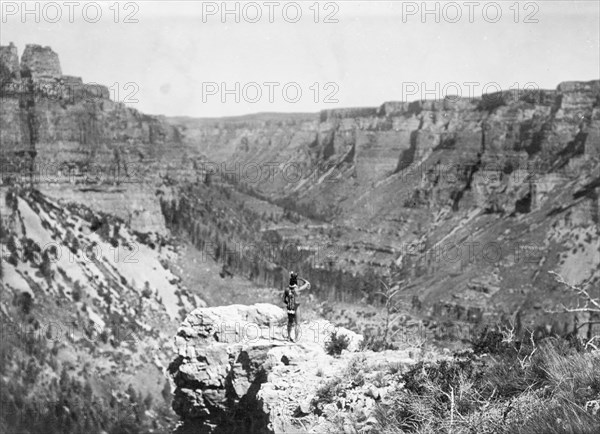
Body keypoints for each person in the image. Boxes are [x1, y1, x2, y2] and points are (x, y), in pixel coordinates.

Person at [283, 273, 310, 342]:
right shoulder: (298, 290)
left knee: (290, 322)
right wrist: (301, 279)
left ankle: (288, 337)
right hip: (296, 307)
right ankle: (296, 338)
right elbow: (307, 283)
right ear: (296, 282)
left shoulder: (286, 290)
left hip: (290, 308)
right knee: (297, 324)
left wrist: (288, 304)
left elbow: (284, 300)